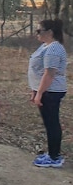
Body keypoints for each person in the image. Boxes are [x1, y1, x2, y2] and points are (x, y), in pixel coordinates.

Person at [29, 19, 67, 168]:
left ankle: (54, 157)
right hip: (45, 90)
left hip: (51, 91)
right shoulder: (46, 46)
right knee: (49, 123)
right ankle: (52, 153)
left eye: (39, 31)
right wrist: (35, 90)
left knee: (52, 123)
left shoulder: (54, 49)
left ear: (50, 32)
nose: (37, 33)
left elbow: (49, 74)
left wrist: (39, 93)